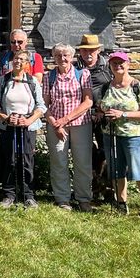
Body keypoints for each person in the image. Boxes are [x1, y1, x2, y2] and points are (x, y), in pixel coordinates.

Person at [97, 51, 140, 220]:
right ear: (110, 66)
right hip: (111, 135)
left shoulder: (137, 86)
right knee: (116, 172)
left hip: (134, 136)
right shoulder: (107, 87)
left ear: (128, 64)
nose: (118, 66)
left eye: (121, 62)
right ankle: (121, 204)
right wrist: (102, 114)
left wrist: (123, 115)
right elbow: (102, 107)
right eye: (114, 63)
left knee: (139, 172)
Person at [43, 43, 94, 212]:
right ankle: (63, 198)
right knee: (59, 162)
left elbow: (88, 101)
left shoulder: (83, 74)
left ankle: (83, 198)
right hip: (56, 126)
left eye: (65, 55)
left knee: (83, 163)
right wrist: (55, 123)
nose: (62, 59)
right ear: (54, 57)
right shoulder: (48, 76)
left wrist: (65, 119)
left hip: (80, 125)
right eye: (58, 55)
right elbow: (44, 105)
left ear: (72, 57)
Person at [0, 51, 46, 208]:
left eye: (22, 60)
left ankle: (28, 195)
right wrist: (6, 118)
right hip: (8, 125)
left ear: (27, 63)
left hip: (27, 126)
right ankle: (9, 194)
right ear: (12, 61)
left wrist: (28, 120)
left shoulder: (32, 82)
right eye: (16, 58)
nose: (18, 62)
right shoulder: (3, 80)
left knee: (26, 160)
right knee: (9, 159)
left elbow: (41, 105)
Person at [75, 33, 113, 201]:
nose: (88, 54)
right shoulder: (74, 67)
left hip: (104, 117)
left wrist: (101, 111)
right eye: (84, 50)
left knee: (107, 153)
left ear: (98, 50)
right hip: (82, 116)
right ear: (80, 51)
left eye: (91, 50)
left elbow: (114, 91)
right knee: (85, 152)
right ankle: (89, 189)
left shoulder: (108, 67)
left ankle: (109, 189)